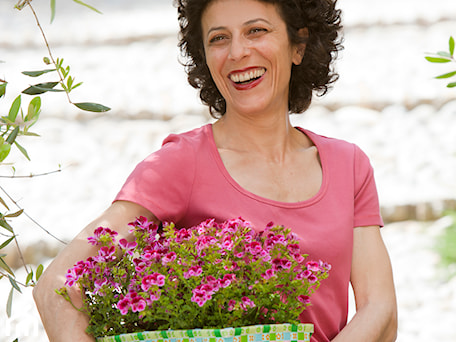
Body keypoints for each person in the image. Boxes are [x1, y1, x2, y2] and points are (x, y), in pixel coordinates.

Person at [33, 0, 398, 341]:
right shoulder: (180, 164)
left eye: (256, 31)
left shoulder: (348, 165)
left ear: (298, 45)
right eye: (219, 38)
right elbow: (57, 285)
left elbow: (379, 309)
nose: (237, 52)